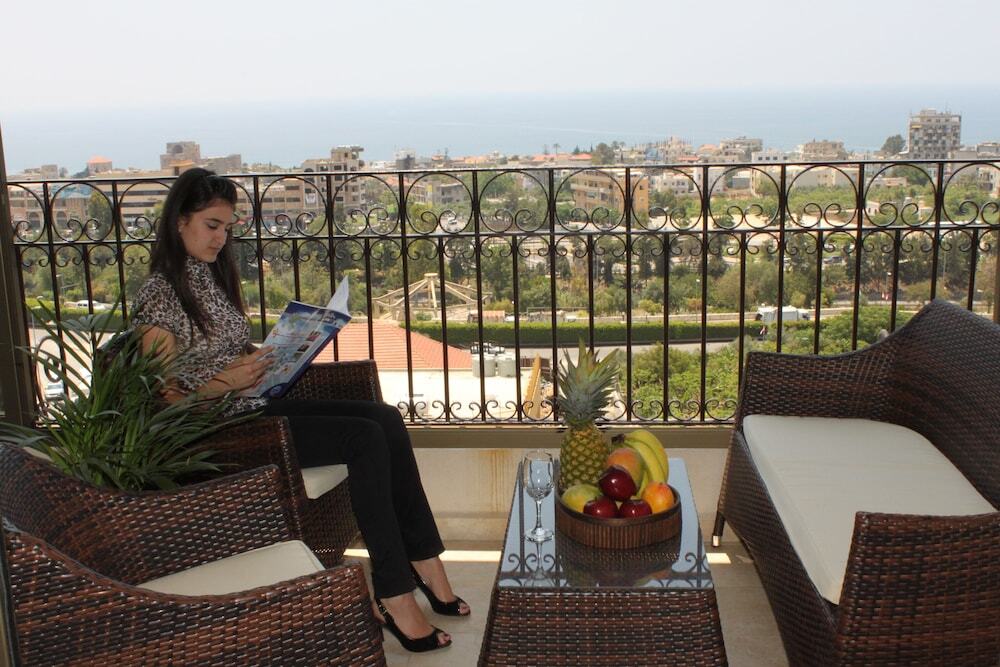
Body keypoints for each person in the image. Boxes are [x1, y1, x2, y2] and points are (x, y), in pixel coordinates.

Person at [132, 168, 466, 653]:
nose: (221, 238)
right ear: (179, 221)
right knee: (363, 438)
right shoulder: (160, 294)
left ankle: (425, 563)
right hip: (218, 430)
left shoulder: (206, 275)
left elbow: (219, 352)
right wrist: (228, 382)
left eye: (227, 227)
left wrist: (277, 354)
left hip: (253, 403)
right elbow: (166, 399)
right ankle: (395, 593)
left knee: (385, 418)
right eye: (211, 225)